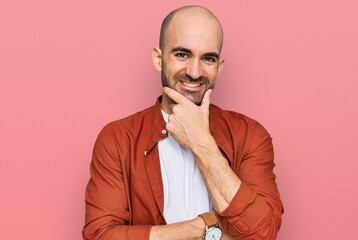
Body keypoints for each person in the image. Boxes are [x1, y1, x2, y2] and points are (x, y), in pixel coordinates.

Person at [83, 5, 283, 240]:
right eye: (182, 55)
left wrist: (201, 143)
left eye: (208, 58)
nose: (195, 72)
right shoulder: (118, 138)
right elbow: (101, 235)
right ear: (159, 59)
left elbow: (263, 231)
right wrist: (206, 227)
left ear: (219, 68)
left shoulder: (250, 135)